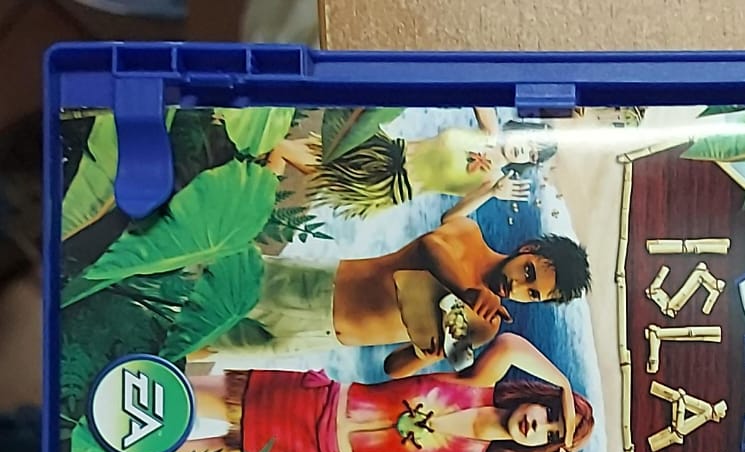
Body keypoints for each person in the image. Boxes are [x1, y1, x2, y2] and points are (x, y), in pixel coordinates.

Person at [181, 332, 594, 452]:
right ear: (542, 399)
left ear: (538, 450)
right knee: (193, 395)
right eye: (551, 415)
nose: (539, 426)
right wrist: (564, 385)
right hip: (313, 401)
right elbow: (511, 343)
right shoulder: (480, 381)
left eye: (550, 435)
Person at [199, 215, 591, 365]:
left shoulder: (483, 326)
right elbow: (430, 248)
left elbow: (394, 367)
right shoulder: (468, 236)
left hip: (319, 338)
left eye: (531, 294)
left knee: (203, 344)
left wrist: (425, 356)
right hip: (318, 289)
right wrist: (467, 292)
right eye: (528, 272)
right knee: (203, 285)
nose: (518, 286)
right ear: (528, 249)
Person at [268, 108, 556, 221]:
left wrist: (492, 193)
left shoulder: (491, 181)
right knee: (288, 149)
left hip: (384, 184)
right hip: (382, 149)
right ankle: (255, 175)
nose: (524, 149)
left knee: (285, 151)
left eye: (532, 154)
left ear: (528, 163)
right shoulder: (489, 129)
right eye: (529, 140)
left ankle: (256, 190)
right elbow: (473, 73)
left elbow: (449, 219)